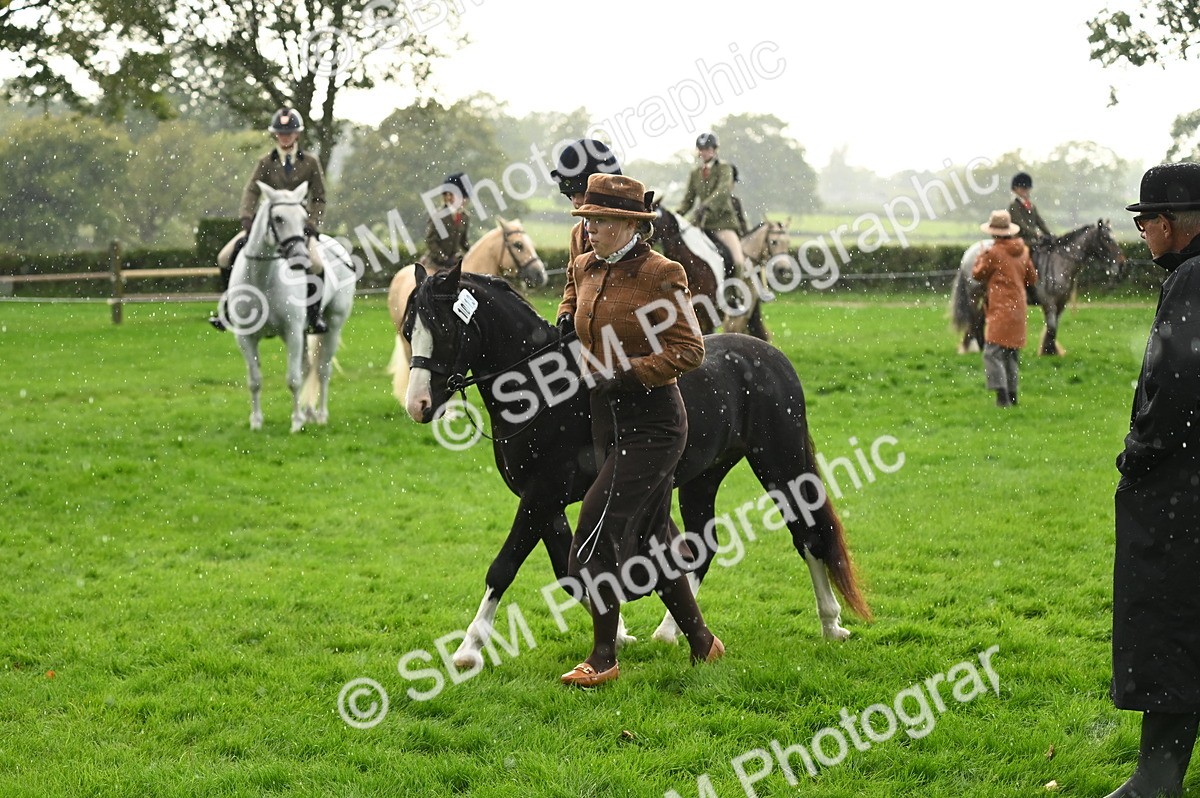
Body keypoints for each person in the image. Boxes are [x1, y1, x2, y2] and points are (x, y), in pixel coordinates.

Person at [555, 172, 723, 687]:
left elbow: (689, 350)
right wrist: (566, 318)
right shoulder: (584, 265)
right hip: (607, 424)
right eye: (586, 220)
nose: (589, 230)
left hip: (655, 425)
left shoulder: (661, 273)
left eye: (600, 222)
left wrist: (624, 374)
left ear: (628, 224)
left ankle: (603, 656)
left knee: (593, 529)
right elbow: (571, 297)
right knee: (654, 538)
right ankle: (702, 642)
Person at [1106, 161, 1200, 798]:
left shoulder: (1190, 281)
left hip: (1180, 489)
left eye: (1144, 222)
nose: (1142, 233)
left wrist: (1136, 454)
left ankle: (1156, 778)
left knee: (1170, 619)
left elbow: (1176, 389)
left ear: (1168, 224)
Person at [211, 107, 328, 333]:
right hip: (267, 227)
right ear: (275, 135)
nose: (285, 137)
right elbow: (251, 191)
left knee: (316, 264)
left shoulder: (311, 162)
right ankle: (228, 308)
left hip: (297, 228)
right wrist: (247, 217)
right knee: (225, 257)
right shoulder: (265, 162)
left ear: (297, 135)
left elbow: (320, 197)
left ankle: (314, 316)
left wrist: (311, 224)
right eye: (281, 133)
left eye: (290, 133)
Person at [676, 132, 769, 305]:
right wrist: (676, 216)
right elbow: (688, 200)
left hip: (723, 225)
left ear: (715, 150)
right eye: (702, 149)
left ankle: (735, 295)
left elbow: (723, 190)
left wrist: (706, 205)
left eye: (708, 149)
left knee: (738, 261)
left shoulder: (724, 168)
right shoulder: (695, 173)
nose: (705, 152)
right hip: (701, 225)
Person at [970, 209, 1037, 408]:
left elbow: (977, 274)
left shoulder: (992, 252)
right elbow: (1032, 278)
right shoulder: (1023, 251)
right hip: (1018, 308)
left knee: (991, 353)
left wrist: (980, 257)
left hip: (1000, 309)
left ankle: (1001, 397)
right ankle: (1013, 395)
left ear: (993, 232)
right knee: (1010, 354)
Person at [550, 138, 622, 260]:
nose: (576, 202)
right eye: (571, 195)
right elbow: (573, 277)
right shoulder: (577, 232)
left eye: (583, 194)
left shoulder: (626, 231)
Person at [421, 172, 472, 271]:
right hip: (435, 264)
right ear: (449, 196)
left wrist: (472, 254)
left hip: (454, 263)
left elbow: (463, 242)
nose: (464, 200)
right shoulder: (438, 215)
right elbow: (431, 241)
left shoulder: (465, 217)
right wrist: (443, 257)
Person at [1007, 172, 1054, 250]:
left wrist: (1050, 235)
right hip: (1021, 241)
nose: (1025, 191)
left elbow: (1040, 223)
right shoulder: (1014, 205)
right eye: (1022, 188)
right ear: (1015, 189)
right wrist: (1036, 234)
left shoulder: (1032, 206)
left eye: (1026, 188)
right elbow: (1021, 224)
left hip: (1034, 240)